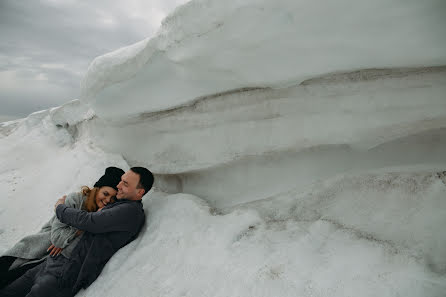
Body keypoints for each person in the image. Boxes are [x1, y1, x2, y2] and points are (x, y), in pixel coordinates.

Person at [0, 166, 154, 297]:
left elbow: (89, 222)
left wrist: (60, 207)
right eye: (121, 180)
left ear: (140, 192)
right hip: (52, 261)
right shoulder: (119, 204)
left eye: (125, 183)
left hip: (66, 271)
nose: (119, 185)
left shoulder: (130, 211)